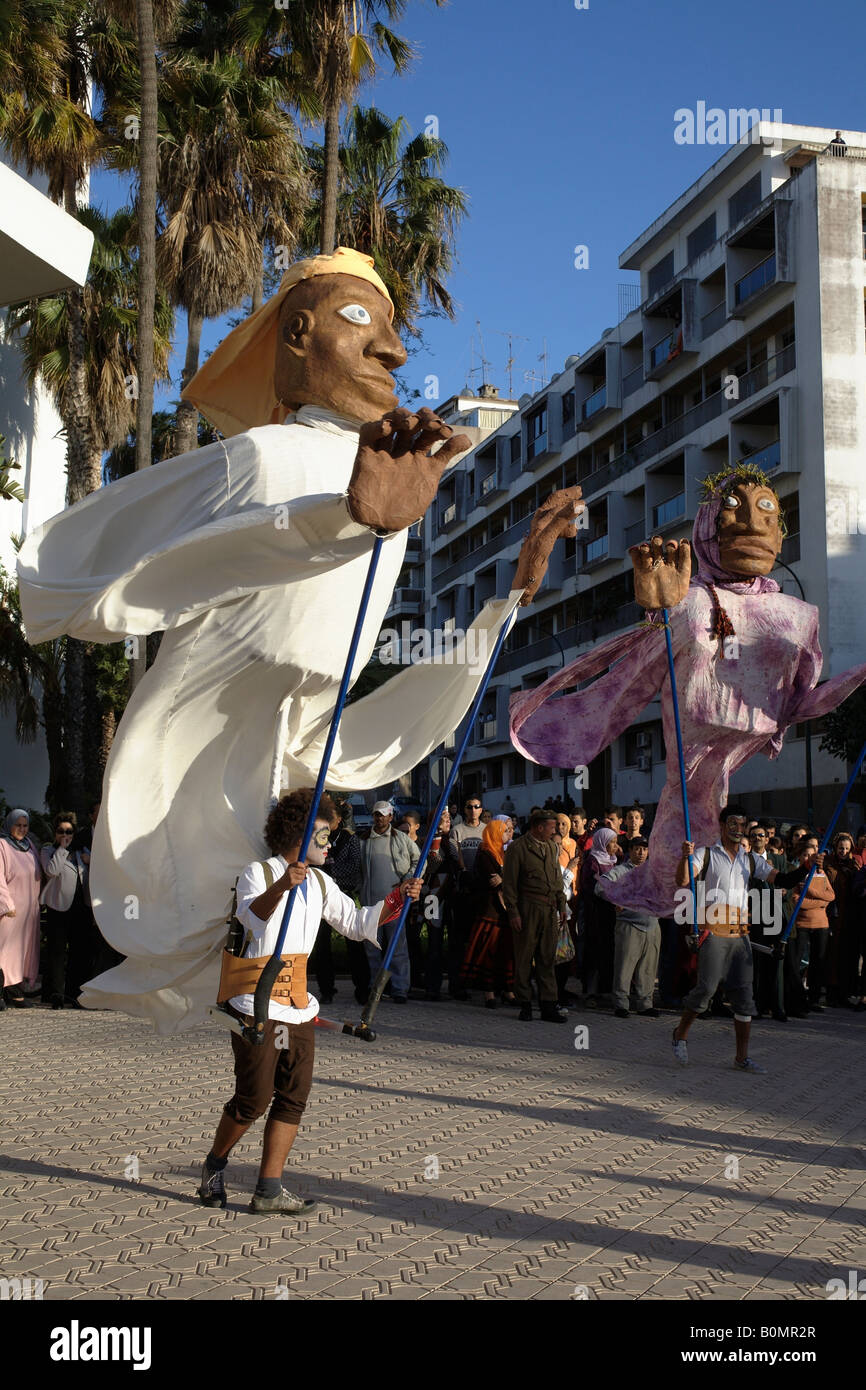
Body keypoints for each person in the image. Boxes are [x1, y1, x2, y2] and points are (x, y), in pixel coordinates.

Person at [19, 245, 580, 1032]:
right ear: (296, 336)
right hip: (200, 726)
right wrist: (345, 519)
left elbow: (380, 721)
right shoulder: (260, 456)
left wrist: (512, 596)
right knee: (196, 908)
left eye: (392, 330)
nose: (392, 349)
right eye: (361, 322)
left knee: (248, 947)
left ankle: (265, 1045)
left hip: (299, 733)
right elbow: (100, 570)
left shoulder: (394, 481)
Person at [511, 466, 866, 921]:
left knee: (696, 819)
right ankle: (673, 910)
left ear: (780, 532)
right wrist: (661, 614)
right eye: (731, 513)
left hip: (748, 731)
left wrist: (855, 678)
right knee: (688, 811)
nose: (752, 526)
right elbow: (632, 673)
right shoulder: (692, 600)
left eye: (767, 514)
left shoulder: (795, 614)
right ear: (706, 529)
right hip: (694, 735)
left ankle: (687, 917)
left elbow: (800, 701)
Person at [198, 787, 421, 1212]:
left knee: (293, 1096)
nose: (328, 844)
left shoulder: (321, 882)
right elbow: (250, 917)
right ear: (298, 836)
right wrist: (283, 884)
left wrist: (397, 898)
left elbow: (356, 924)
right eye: (322, 837)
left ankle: (268, 1189)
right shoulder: (258, 873)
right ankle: (215, 1163)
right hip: (256, 1004)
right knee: (253, 1099)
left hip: (298, 1006)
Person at [671, 805, 814, 1071]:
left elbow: (781, 879)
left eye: (742, 824)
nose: (738, 829)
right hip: (713, 932)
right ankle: (680, 1033)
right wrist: (684, 857)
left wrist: (807, 866)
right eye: (733, 824)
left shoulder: (750, 860)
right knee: (705, 991)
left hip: (741, 936)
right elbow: (682, 880)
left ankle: (741, 1058)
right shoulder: (706, 854)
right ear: (722, 825)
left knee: (744, 997)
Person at [501, 810, 568, 1023]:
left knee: (547, 958)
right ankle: (525, 1004)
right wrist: (513, 912)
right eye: (551, 827)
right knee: (524, 956)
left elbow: (557, 879)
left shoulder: (551, 847)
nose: (554, 830)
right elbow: (509, 884)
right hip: (528, 908)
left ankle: (548, 1005)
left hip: (549, 909)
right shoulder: (518, 848)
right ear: (539, 827)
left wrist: (562, 905)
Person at [358, 801, 419, 1004]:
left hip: (395, 903)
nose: (380, 818)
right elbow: (357, 869)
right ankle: (376, 988)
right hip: (370, 903)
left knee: (397, 947)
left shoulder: (401, 838)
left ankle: (400, 989)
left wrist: (408, 879)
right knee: (372, 948)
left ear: (391, 817)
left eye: (384, 815)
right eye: (377, 814)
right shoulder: (364, 840)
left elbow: (420, 860)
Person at [599, 836, 660, 1018]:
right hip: (629, 925)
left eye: (644, 849)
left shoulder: (654, 872)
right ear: (630, 850)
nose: (641, 853)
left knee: (648, 969)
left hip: (652, 925)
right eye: (637, 849)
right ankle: (621, 1004)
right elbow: (600, 886)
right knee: (624, 967)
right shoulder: (621, 871)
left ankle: (645, 1004)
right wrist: (616, 898)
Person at [311, 799, 362, 1005]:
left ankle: (362, 987)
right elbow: (315, 863)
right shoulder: (319, 837)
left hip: (344, 893)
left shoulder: (349, 838)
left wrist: (330, 876)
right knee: (321, 946)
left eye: (330, 817)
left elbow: (353, 865)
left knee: (355, 941)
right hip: (321, 895)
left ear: (339, 820)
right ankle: (326, 989)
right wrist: (326, 878)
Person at [460, 819, 516, 1006]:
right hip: (490, 910)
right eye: (504, 831)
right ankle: (489, 993)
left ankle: (508, 990)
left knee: (505, 952)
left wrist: (504, 877)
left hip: (503, 910)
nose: (507, 833)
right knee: (489, 952)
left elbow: (508, 878)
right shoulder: (485, 853)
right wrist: (505, 877)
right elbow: (494, 880)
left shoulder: (502, 852)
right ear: (494, 833)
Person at [40, 812, 93, 1010]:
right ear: (55, 833)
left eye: (69, 831)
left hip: (81, 908)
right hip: (58, 908)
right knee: (57, 952)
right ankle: (56, 994)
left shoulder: (81, 852)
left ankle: (74, 994)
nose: (65, 835)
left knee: (79, 952)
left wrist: (90, 860)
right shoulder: (48, 851)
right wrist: (61, 849)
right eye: (61, 831)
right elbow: (51, 871)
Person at [0, 809, 42, 1009]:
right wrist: (6, 905)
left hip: (28, 911)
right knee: (5, 952)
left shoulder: (29, 845)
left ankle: (15, 993)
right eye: (18, 825)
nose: (22, 829)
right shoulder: (2, 845)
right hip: (9, 911)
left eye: (25, 826)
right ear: (9, 824)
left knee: (20, 953)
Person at [418, 805, 459, 1001]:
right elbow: (433, 863)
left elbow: (458, 863)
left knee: (454, 943)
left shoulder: (452, 839)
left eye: (449, 817)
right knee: (434, 942)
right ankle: (432, 987)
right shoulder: (427, 841)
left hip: (451, 895)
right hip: (434, 896)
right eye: (443, 817)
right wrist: (436, 837)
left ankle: (455, 985)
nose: (447, 820)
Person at [792, 833, 834, 1011]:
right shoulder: (796, 875)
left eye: (812, 854)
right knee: (798, 962)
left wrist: (810, 891)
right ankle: (797, 996)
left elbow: (830, 896)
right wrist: (819, 903)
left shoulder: (821, 873)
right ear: (801, 856)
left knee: (818, 962)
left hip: (821, 925)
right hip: (802, 925)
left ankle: (815, 998)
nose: (809, 858)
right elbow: (796, 901)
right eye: (806, 855)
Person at [579, 827, 620, 1007]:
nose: (615, 846)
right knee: (594, 950)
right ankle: (590, 993)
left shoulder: (613, 861)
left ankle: (604, 990)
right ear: (603, 843)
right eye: (612, 842)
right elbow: (591, 886)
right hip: (595, 913)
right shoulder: (593, 861)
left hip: (609, 914)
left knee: (607, 951)